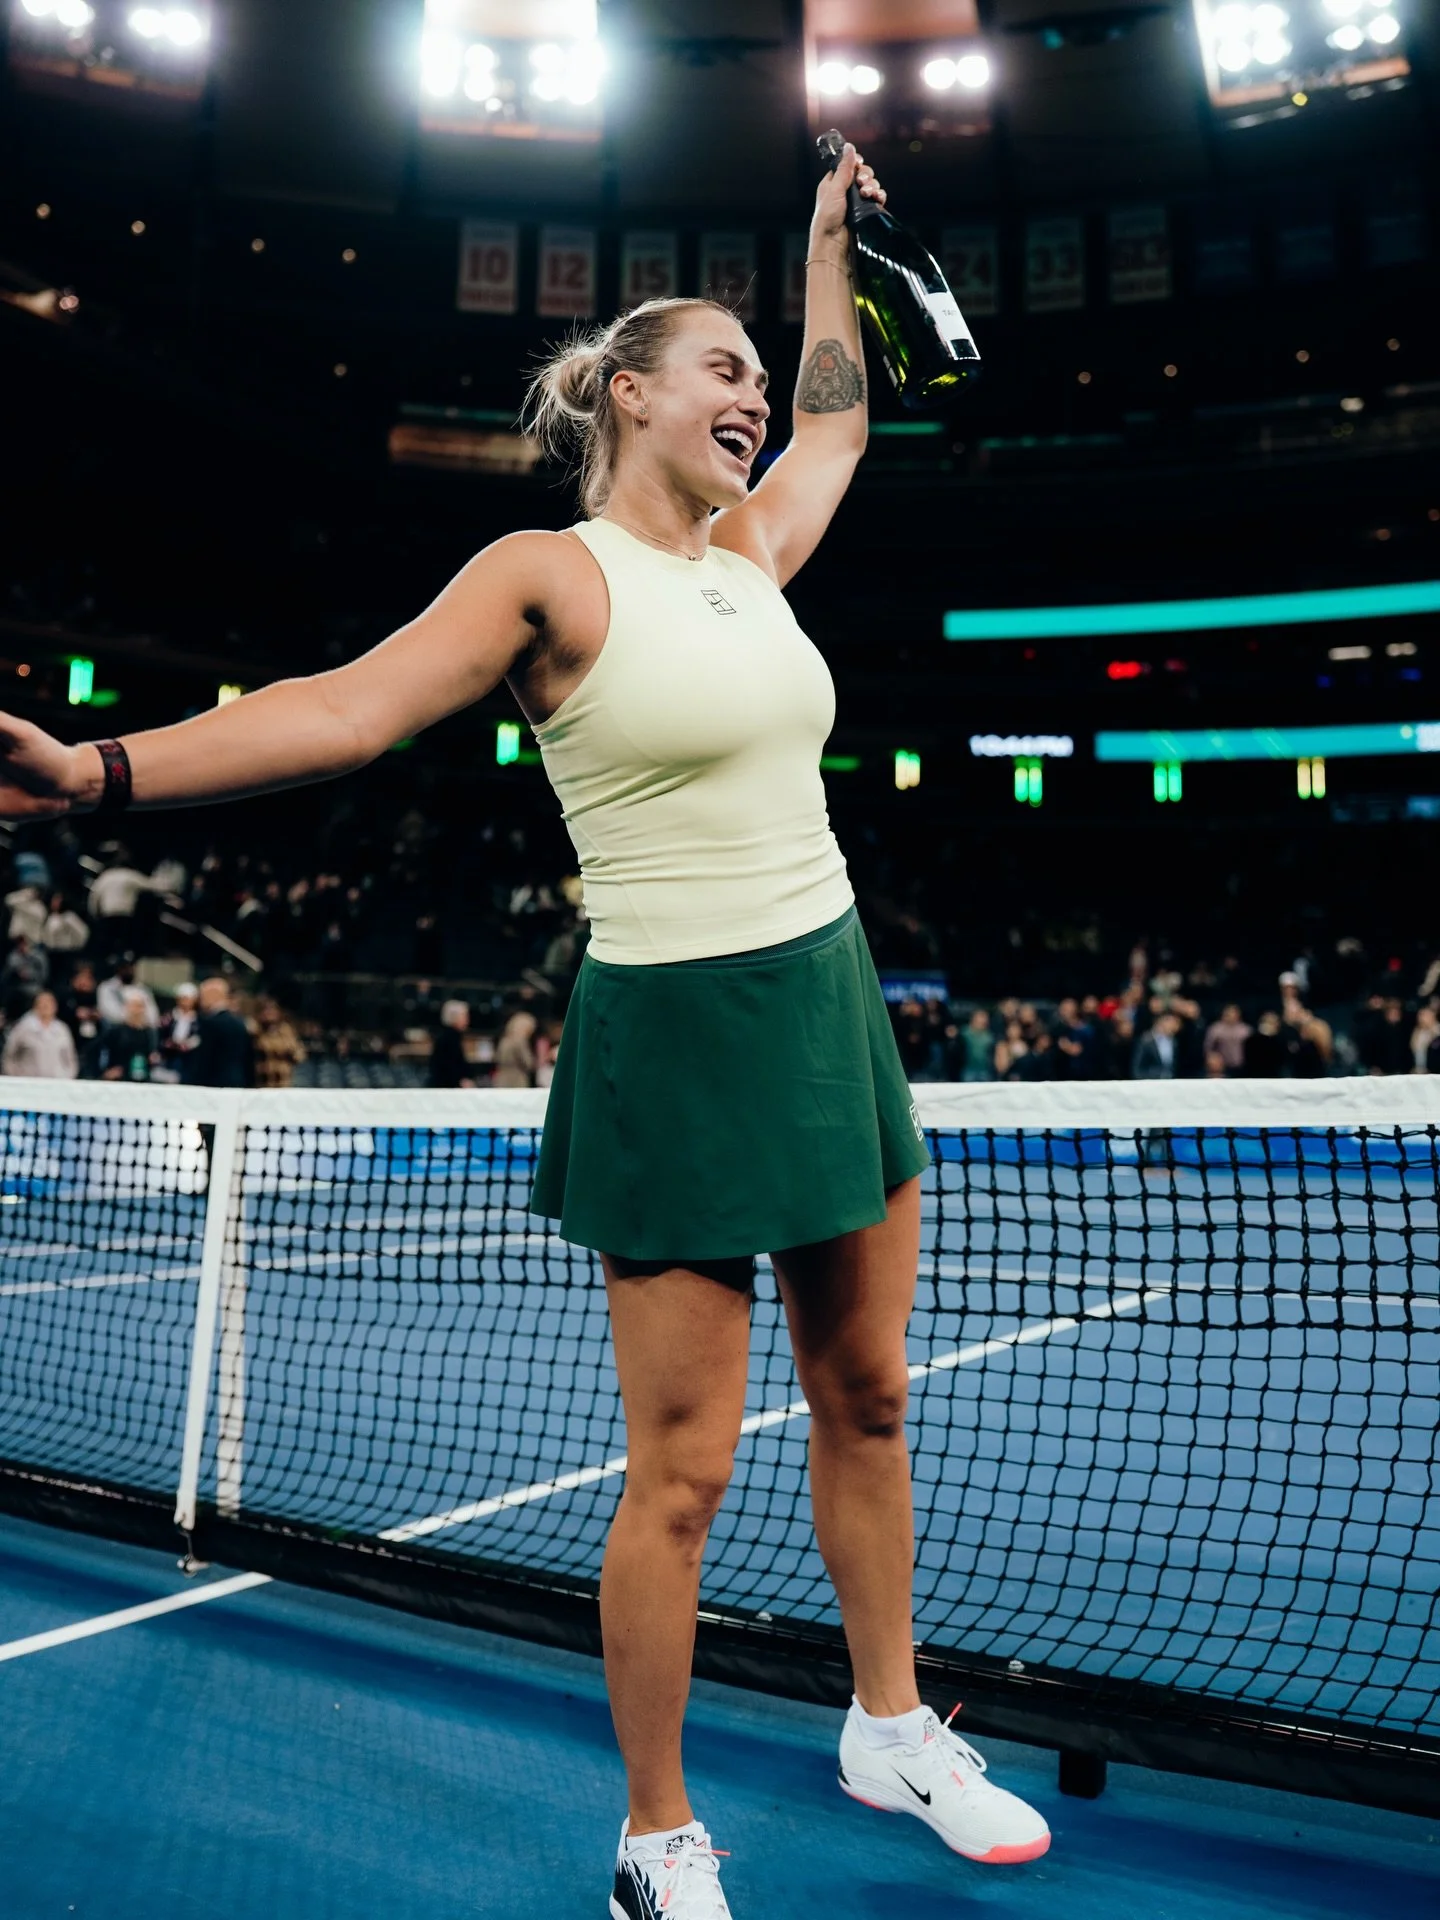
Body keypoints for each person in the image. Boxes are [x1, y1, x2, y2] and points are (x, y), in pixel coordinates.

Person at [0, 143, 1048, 1916]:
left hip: (828, 1000)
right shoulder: (545, 574)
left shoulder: (755, 552)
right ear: (629, 394)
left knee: (869, 1397)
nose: (753, 402)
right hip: (674, 1033)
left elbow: (841, 413)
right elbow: (343, 712)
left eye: (756, 377)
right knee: (683, 1476)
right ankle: (657, 1838)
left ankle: (892, 1726)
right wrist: (96, 773)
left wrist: (824, 250)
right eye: (718, 372)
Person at [183, 977, 253, 1088]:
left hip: (213, 1085)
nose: (200, 1001)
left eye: (202, 996)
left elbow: (203, 1060)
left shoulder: (210, 1024)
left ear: (213, 995)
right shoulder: (240, 1024)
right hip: (237, 1082)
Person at [2, 988, 77, 1079]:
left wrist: (67, 1076)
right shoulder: (23, 1027)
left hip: (57, 1081)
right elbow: (9, 1055)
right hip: (28, 1081)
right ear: (35, 1006)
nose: (46, 1006)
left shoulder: (62, 1029)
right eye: (42, 1002)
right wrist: (15, 1076)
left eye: (49, 1003)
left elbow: (70, 1058)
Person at [94, 986, 161, 1082]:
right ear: (126, 1007)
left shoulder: (149, 1033)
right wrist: (105, 1072)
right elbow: (99, 1051)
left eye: (140, 1006)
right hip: (119, 1079)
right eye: (133, 1006)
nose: (137, 1010)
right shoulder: (116, 1031)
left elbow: (151, 1053)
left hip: (141, 1077)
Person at [250, 996, 306, 1089]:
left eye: (272, 1010)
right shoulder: (255, 1031)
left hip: (283, 1082)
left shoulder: (286, 1031)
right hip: (262, 1082)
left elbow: (299, 1056)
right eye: (265, 1010)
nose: (269, 1013)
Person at [97, 958, 160, 1031]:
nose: (128, 970)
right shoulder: (107, 987)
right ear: (118, 969)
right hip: (117, 1029)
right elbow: (110, 1013)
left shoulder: (143, 989)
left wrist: (140, 1018)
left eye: (131, 966)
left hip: (142, 1029)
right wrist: (131, 1015)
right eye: (125, 967)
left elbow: (153, 1015)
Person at [429, 999, 475, 1089]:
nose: (467, 1020)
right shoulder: (449, 1038)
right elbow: (450, 1065)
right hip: (447, 1087)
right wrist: (462, 1080)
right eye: (464, 1016)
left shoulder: (452, 1036)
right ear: (455, 1017)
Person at [492, 1009, 538, 1089]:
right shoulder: (520, 1041)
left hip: (501, 1079)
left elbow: (497, 1058)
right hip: (517, 1080)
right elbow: (528, 1063)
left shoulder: (504, 1040)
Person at [1203, 1003, 1251, 1077]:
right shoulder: (1215, 1029)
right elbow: (1208, 1048)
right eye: (1228, 1013)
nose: (1231, 1015)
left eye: (1233, 1013)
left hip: (1242, 1066)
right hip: (1222, 1068)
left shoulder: (1245, 1030)